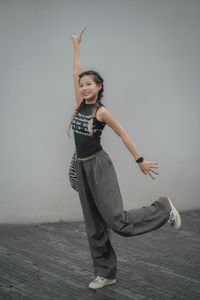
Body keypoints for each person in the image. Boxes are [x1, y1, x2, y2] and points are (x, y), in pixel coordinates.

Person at [66, 26, 182, 290]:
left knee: (117, 221)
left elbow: (123, 135)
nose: (83, 87)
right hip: (82, 169)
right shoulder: (80, 104)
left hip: (98, 166)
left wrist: (140, 160)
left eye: (89, 84)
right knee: (94, 225)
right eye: (81, 85)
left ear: (99, 87)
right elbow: (75, 72)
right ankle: (105, 273)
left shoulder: (101, 112)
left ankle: (163, 209)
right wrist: (76, 45)